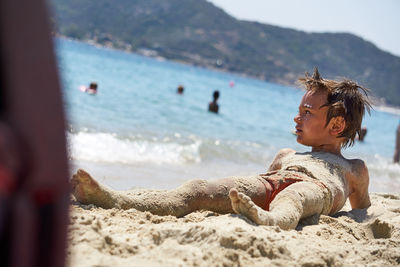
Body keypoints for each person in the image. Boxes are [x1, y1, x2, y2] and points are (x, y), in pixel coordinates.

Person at [71, 68, 372, 230]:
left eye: (307, 113)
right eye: (299, 110)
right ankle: (114, 198)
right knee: (198, 189)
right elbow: (264, 186)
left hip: (316, 188)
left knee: (293, 199)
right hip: (270, 183)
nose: (297, 117)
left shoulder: (353, 168)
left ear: (336, 126)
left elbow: (362, 208)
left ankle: (270, 221)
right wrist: (254, 195)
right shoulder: (286, 156)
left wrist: (357, 206)